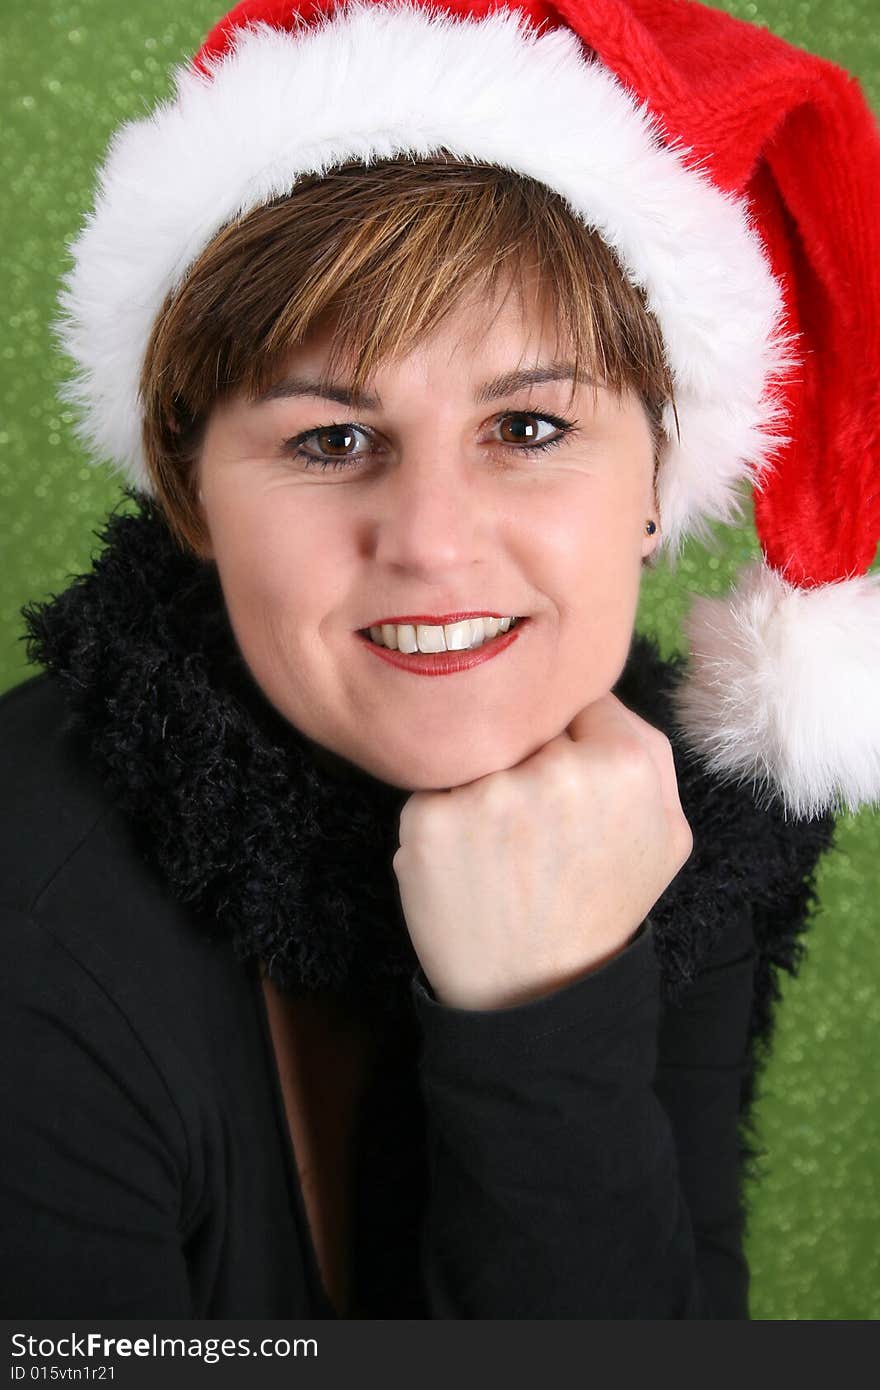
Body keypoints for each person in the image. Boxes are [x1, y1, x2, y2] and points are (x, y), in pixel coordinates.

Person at [1, 0, 878, 1320]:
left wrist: (548, 1017)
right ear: (191, 490)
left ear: (656, 480)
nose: (432, 545)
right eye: (331, 440)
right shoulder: (31, 931)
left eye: (527, 425)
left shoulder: (658, 829)